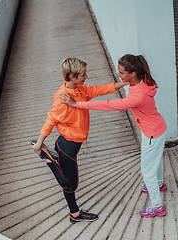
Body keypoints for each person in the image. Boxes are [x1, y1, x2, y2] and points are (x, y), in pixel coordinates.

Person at [60, 54, 167, 218]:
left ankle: (157, 207)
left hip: (153, 133)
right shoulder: (142, 82)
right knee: (154, 160)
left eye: (121, 72)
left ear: (132, 74)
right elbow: (137, 100)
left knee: (147, 171)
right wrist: (130, 104)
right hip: (154, 129)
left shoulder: (137, 95)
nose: (119, 75)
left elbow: (108, 104)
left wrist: (77, 104)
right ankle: (159, 184)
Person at [31, 57, 128, 223]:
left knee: (70, 182)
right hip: (67, 147)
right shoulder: (62, 98)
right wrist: (39, 144)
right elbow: (50, 120)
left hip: (71, 145)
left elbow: (99, 90)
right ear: (71, 77)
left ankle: (50, 159)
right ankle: (74, 214)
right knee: (70, 185)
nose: (86, 77)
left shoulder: (80, 89)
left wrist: (127, 83)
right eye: (83, 74)